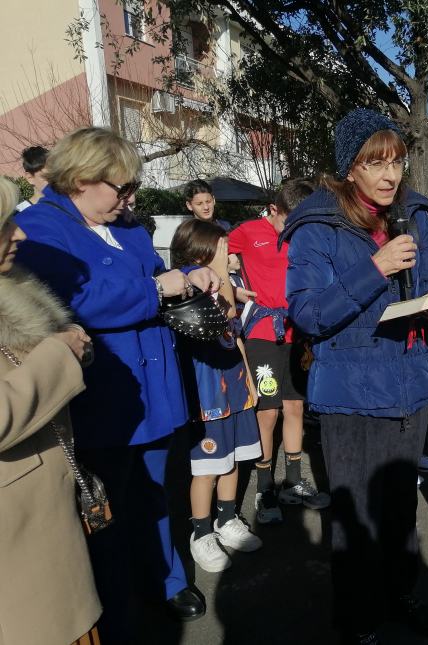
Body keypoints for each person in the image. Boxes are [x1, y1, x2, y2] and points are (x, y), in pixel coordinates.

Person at [14, 127, 222, 640]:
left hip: (155, 388)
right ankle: (115, 603)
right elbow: (74, 301)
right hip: (104, 397)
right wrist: (155, 290)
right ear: (82, 179)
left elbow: (156, 273)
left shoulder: (125, 225)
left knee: (155, 494)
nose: (129, 199)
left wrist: (188, 278)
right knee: (104, 510)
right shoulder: (39, 229)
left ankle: (166, 579)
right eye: (121, 188)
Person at [283, 108, 428, 645]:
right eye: (374, 163)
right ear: (349, 169)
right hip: (352, 392)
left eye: (397, 162)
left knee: (400, 506)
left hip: (412, 386)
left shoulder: (416, 214)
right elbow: (307, 314)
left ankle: (400, 593)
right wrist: (376, 268)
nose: (390, 175)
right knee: (355, 513)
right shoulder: (318, 226)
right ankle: (357, 616)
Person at [0, 177, 102, 645]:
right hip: (18, 550)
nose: (18, 233)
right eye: (4, 225)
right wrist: (59, 355)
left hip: (40, 523)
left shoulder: (13, 285)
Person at [228, 177, 330, 523]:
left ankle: (294, 483)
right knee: (267, 413)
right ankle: (264, 488)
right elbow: (211, 253)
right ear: (274, 209)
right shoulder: (247, 231)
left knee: (295, 408)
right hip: (261, 332)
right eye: (291, 219)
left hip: (296, 332)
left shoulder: (304, 234)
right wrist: (231, 287)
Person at [170, 219, 263, 572]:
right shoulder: (189, 281)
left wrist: (249, 377)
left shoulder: (223, 281)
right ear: (203, 250)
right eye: (223, 247)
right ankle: (201, 531)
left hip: (234, 385)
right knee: (207, 466)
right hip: (207, 391)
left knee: (234, 457)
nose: (230, 255)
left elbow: (235, 329)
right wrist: (223, 275)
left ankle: (227, 519)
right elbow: (222, 316)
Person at [16, 145, 49, 211]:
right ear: (30, 178)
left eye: (56, 176)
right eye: (46, 176)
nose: (54, 181)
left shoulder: (66, 207)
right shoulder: (19, 213)